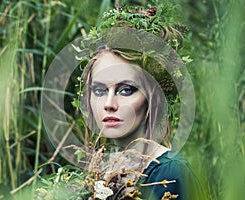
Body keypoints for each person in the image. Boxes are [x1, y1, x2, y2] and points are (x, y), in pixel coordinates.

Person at [79, 43, 203, 199]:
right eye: (99, 91)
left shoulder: (169, 173)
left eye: (126, 90)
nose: (109, 104)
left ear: (152, 98)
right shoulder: (98, 171)